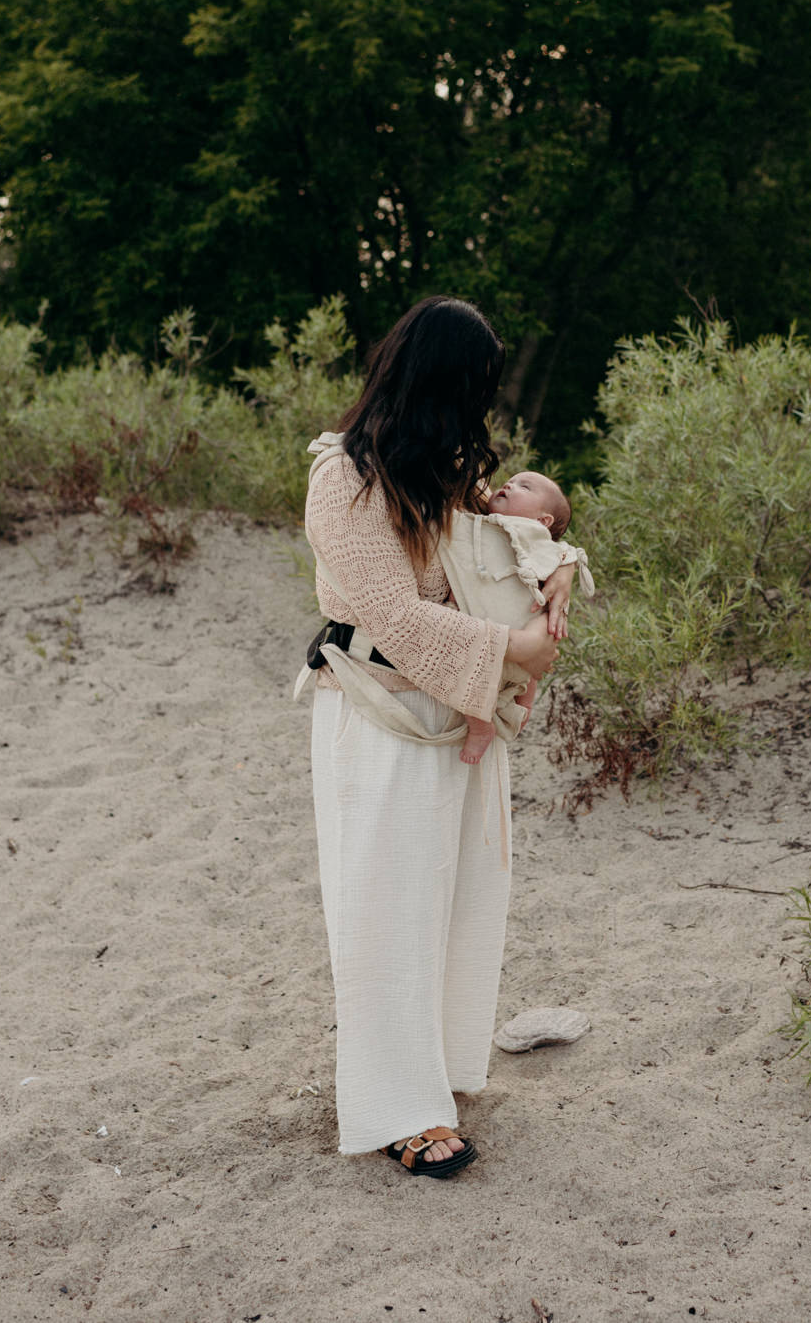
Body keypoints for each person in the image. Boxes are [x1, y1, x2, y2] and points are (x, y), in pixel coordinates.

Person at [303, 296, 573, 1178]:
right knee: (386, 908)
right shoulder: (342, 480)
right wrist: (515, 650)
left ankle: (439, 1073)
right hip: (378, 710)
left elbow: (506, 546)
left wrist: (561, 570)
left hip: (457, 708)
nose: (481, 410)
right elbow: (397, 617)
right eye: (474, 388)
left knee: (456, 897)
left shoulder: (445, 468)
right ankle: (398, 1110)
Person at [455, 470, 588, 765]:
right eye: (510, 481)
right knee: (468, 676)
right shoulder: (483, 524)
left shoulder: (538, 539)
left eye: (523, 487)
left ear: (544, 522)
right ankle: (480, 725)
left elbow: (561, 555)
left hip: (525, 619)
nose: (509, 485)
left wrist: (566, 564)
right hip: (485, 624)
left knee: (530, 675)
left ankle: (522, 714)